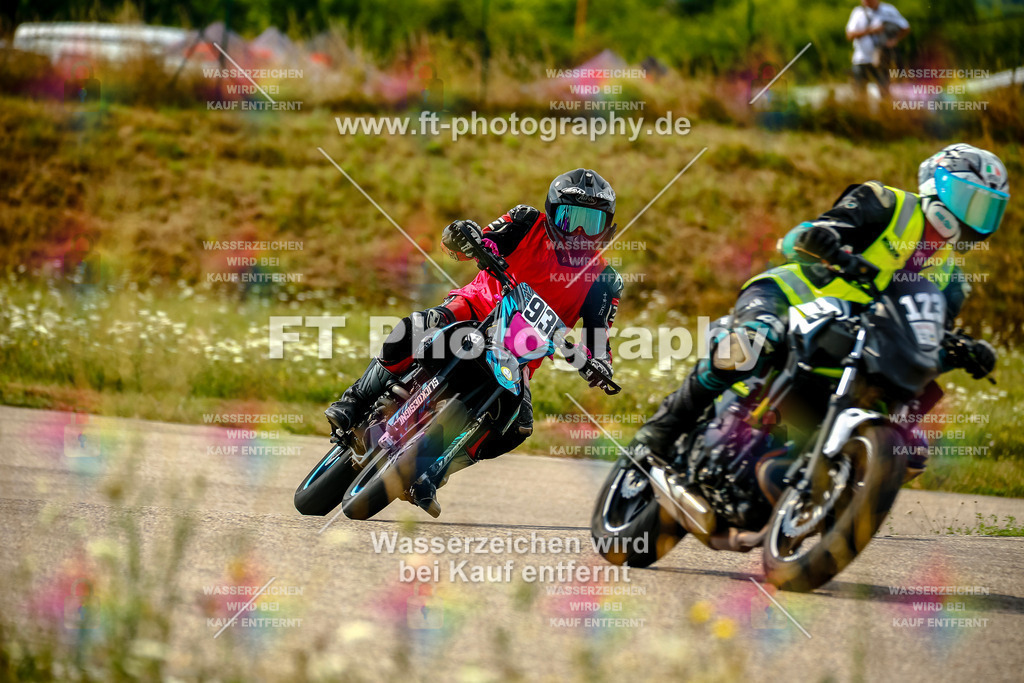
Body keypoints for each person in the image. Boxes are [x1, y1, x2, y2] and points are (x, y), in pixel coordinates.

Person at [633, 143, 1008, 486]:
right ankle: (662, 429)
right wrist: (819, 240)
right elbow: (805, 236)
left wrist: (961, 352)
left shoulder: (952, 282)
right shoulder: (886, 204)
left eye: (986, 210)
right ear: (937, 185)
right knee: (749, 345)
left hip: (854, 345)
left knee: (909, 441)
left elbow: (923, 346)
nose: (974, 219)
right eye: (969, 201)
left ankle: (815, 493)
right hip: (789, 299)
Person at [326, 168, 623, 462]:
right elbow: (481, 242)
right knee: (415, 327)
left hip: (520, 356)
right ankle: (354, 402)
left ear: (607, 228)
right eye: (570, 220)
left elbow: (598, 341)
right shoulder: (526, 221)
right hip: (475, 308)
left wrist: (598, 365)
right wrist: (464, 239)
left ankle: (436, 469)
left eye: (592, 223)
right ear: (551, 214)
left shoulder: (605, 282)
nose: (580, 233)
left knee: (518, 428)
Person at [846, 0, 911, 98]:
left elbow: (905, 27)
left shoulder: (889, 10)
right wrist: (871, 30)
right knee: (860, 93)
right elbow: (850, 35)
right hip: (861, 59)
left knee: (884, 91)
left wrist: (894, 40)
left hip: (882, 59)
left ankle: (885, 111)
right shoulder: (858, 12)